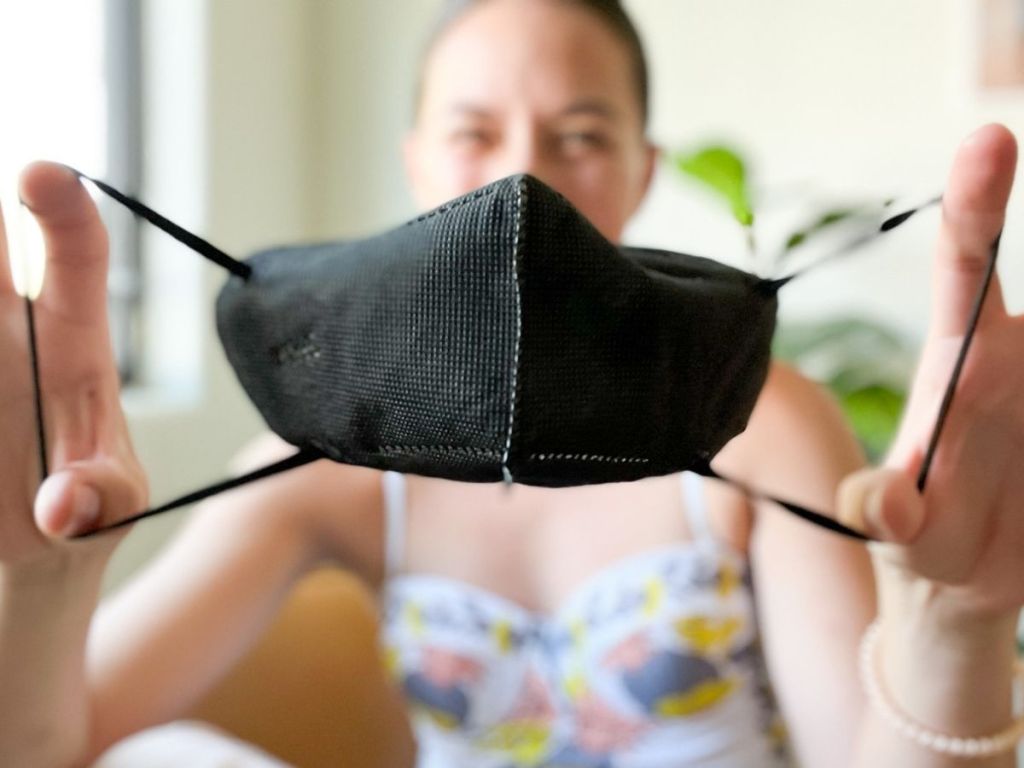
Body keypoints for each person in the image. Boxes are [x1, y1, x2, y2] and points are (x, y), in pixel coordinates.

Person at [2, 0, 1022, 766]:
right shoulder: (328, 458)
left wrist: (954, 624)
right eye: (473, 132)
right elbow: (58, 743)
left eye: (580, 135)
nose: (520, 184)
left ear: (642, 170)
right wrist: (38, 587)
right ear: (417, 164)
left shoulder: (756, 421)